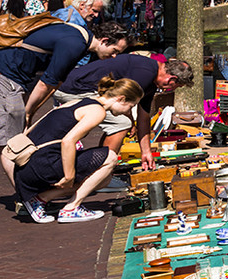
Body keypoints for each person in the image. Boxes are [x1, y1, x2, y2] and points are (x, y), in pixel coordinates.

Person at [0, 18, 130, 192]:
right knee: (12, 143)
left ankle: (29, 193)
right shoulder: (75, 43)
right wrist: (28, 113)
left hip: (10, 78)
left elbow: (56, 82)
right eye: (115, 50)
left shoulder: (80, 37)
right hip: (0, 77)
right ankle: (27, 198)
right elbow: (45, 83)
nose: (115, 56)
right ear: (104, 41)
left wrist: (31, 112)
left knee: (19, 138)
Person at [12, 75, 143, 224]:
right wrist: (69, 177)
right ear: (121, 98)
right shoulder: (97, 111)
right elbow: (68, 141)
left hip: (28, 165)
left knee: (104, 178)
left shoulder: (81, 102)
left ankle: (40, 199)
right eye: (131, 106)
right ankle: (71, 209)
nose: (129, 112)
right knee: (111, 157)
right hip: (42, 165)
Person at [53, 51, 194, 170]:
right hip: (75, 89)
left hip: (80, 87)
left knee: (120, 123)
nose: (171, 90)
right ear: (172, 79)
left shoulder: (151, 78)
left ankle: (100, 166)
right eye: (176, 86)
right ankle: (100, 172)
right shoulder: (145, 74)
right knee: (121, 124)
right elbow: (122, 101)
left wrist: (146, 152)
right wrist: (130, 122)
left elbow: (143, 117)